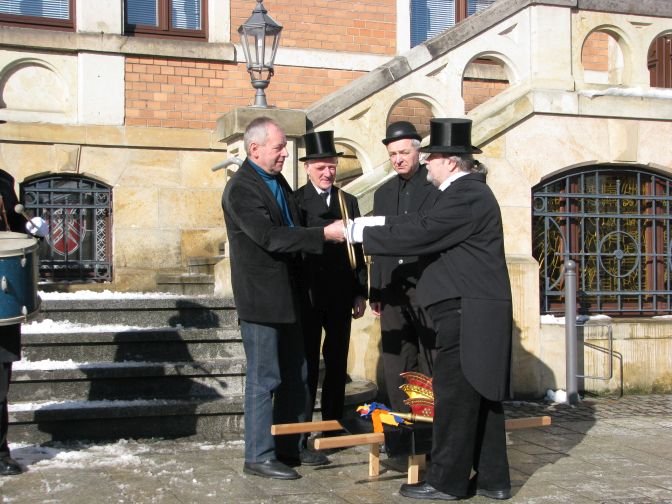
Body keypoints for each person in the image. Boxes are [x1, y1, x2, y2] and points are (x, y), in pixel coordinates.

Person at [350, 118, 513, 500]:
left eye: (432, 157)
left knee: (453, 399)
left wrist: (357, 233)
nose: (426, 163)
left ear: (451, 161)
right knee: (481, 397)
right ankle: (493, 481)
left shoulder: (465, 194)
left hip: (467, 313)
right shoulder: (464, 193)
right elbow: (417, 222)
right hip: (472, 311)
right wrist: (360, 226)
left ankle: (445, 482)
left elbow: (420, 232)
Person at [221, 117, 344, 480]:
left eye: (284, 148)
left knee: (298, 373)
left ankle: (289, 446)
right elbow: (270, 236)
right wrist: (323, 235)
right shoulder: (241, 188)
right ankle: (258, 455)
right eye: (278, 148)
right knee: (265, 378)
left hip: (290, 297)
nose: (285, 154)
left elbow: (292, 225)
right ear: (254, 148)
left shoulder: (276, 180)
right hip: (262, 301)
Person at [294, 131, 368, 425]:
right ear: (307, 168)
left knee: (337, 362)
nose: (327, 173)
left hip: (340, 293)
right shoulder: (296, 201)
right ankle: (302, 428)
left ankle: (333, 425)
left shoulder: (347, 200)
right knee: (308, 362)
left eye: (332, 167)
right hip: (309, 294)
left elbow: (357, 249)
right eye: (321, 167)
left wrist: (360, 291)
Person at [370, 121, 438, 412]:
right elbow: (377, 243)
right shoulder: (383, 193)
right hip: (392, 288)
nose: (397, 159)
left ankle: (428, 422)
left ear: (418, 152)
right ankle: (403, 421)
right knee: (397, 359)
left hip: (425, 285)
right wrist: (375, 289)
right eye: (392, 155)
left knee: (429, 357)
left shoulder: (435, 187)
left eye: (403, 153)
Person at [0, 169, 29, 476]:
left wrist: (34, 230)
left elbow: (17, 230)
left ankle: (0, 452)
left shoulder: (3, 181)